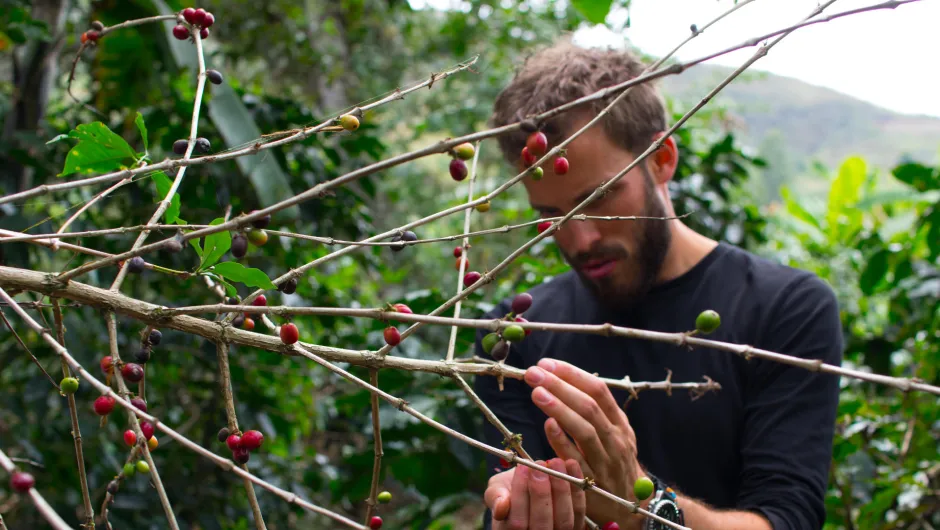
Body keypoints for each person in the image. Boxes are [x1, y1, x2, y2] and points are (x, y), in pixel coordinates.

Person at [472, 38, 843, 530]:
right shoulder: (514, 335)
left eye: (600, 198)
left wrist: (645, 511)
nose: (580, 239)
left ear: (662, 158)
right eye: (551, 215)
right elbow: (516, 492)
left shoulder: (786, 309)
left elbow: (787, 520)